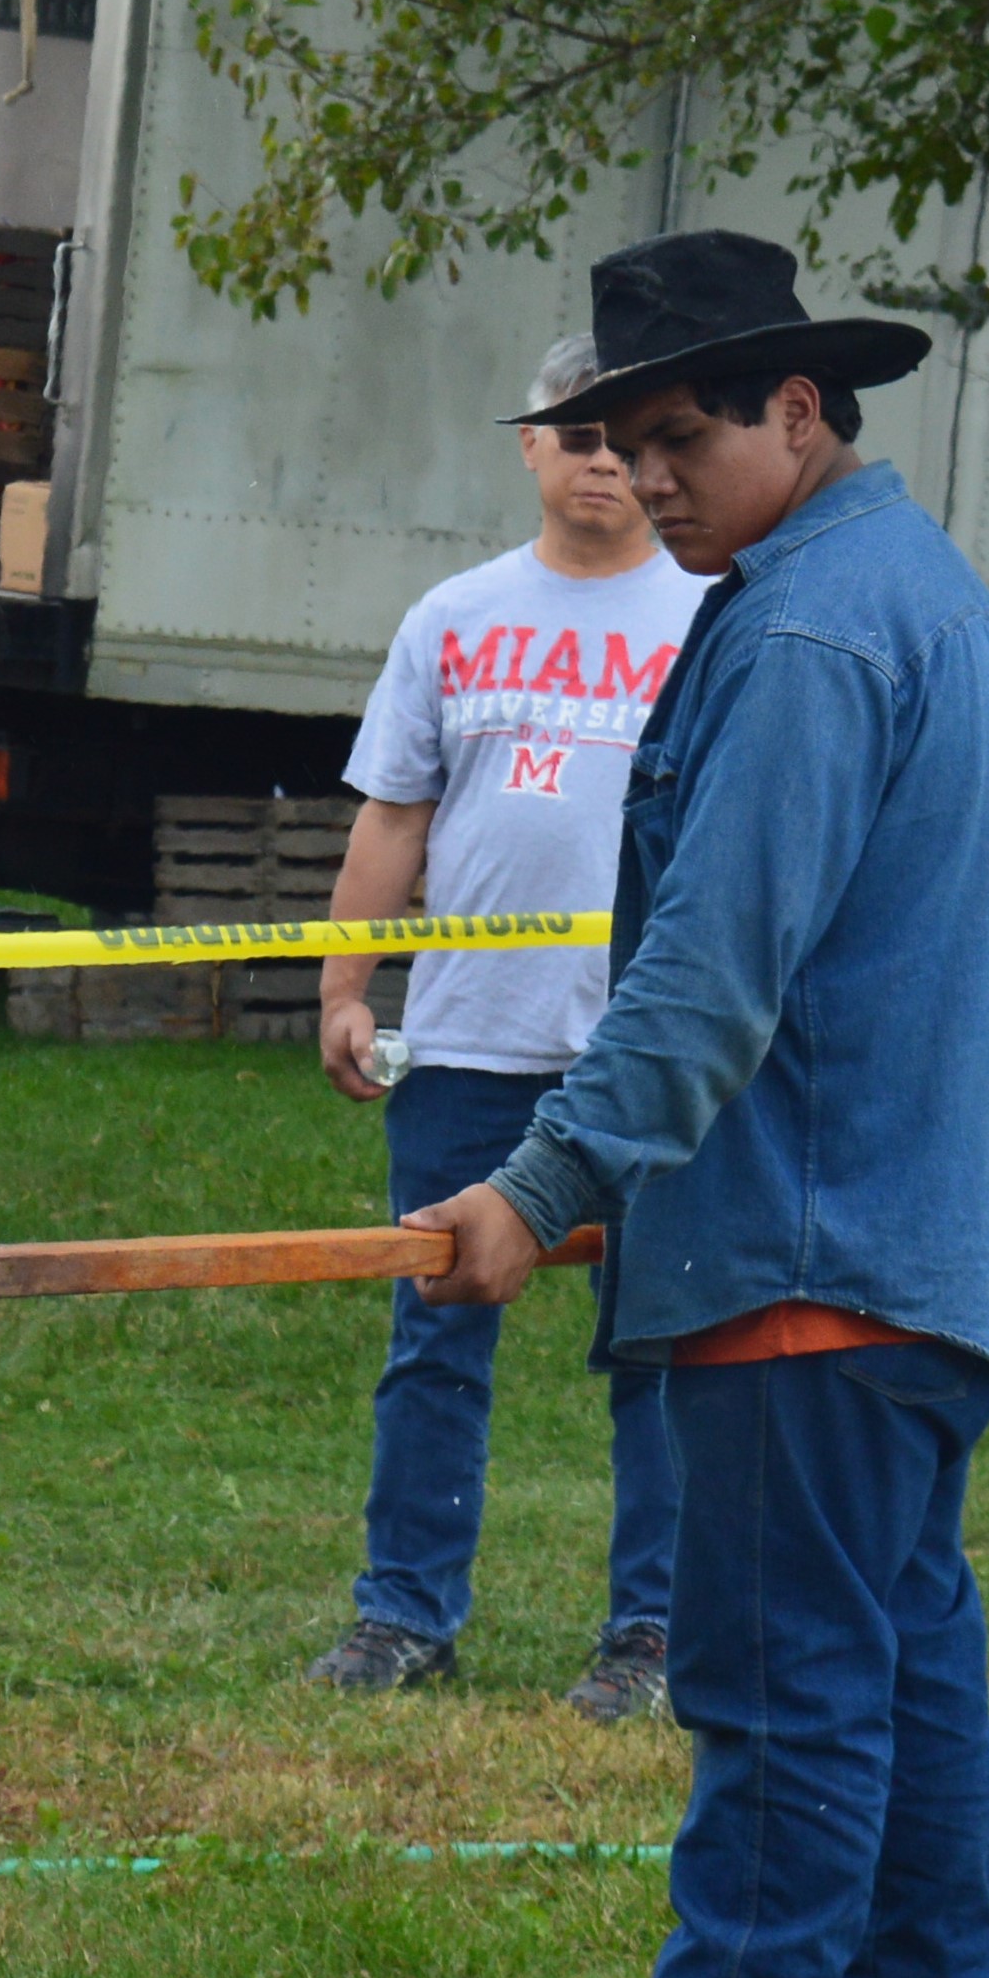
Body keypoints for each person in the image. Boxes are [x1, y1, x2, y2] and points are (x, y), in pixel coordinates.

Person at [405, 231, 989, 1978]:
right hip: (908, 1249)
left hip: (814, 1255)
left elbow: (708, 977)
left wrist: (533, 1185)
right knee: (894, 1687)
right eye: (615, 437)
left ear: (800, 407)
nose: (644, 473)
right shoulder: (890, 586)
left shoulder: (801, 634)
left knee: (787, 1707)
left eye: (676, 433)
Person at [302, 332, 711, 1720]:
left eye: (626, 433)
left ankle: (649, 1634)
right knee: (431, 1338)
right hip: (466, 1045)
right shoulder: (450, 615)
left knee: (659, 1349)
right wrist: (345, 985)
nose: (600, 456)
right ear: (526, 444)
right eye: (572, 429)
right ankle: (401, 1615)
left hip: (644, 1056)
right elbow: (391, 814)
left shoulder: (705, 618)